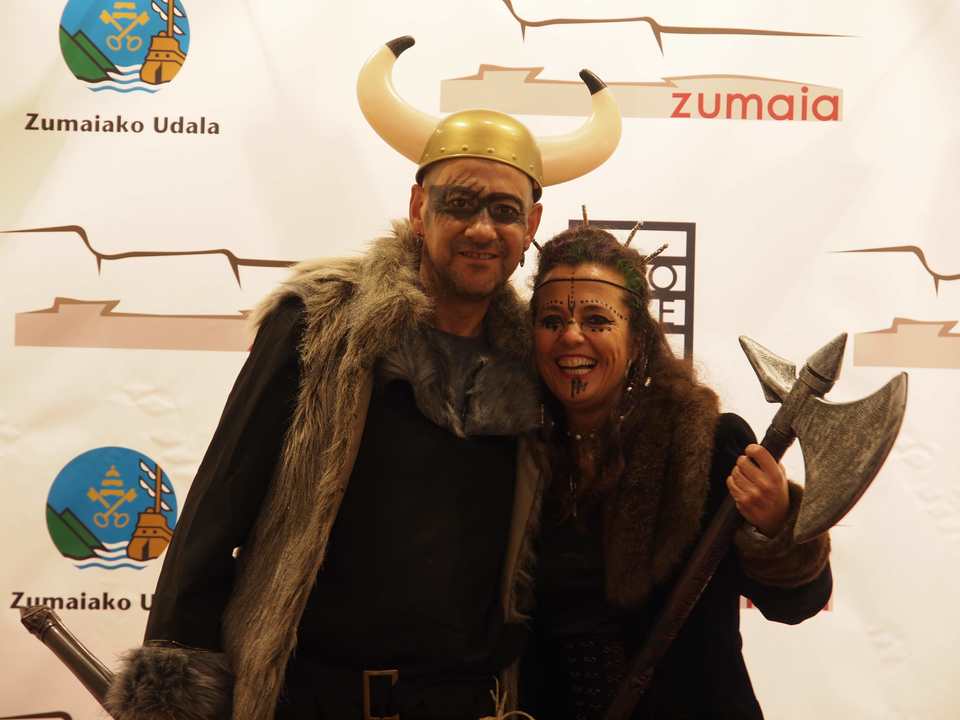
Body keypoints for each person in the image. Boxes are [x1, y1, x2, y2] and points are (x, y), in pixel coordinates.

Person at [103, 37, 621, 720]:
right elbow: (216, 508)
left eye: (503, 210)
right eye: (459, 203)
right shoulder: (321, 326)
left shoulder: (533, 368)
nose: (481, 228)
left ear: (532, 225)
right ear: (418, 206)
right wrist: (175, 688)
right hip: (312, 702)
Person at [521, 224, 833, 719]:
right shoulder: (518, 455)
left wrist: (777, 524)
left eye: (597, 319)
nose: (571, 336)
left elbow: (798, 603)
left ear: (637, 337)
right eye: (551, 320)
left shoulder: (708, 444)